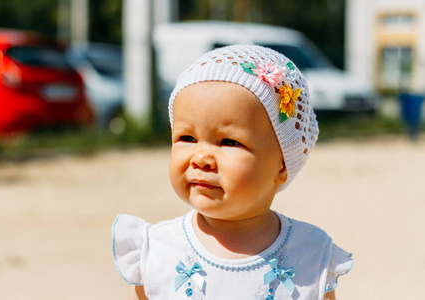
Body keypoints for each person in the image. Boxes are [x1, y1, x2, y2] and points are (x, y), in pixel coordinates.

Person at [112, 45, 353, 300]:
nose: (202, 158)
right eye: (187, 137)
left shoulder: (308, 257)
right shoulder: (157, 251)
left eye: (228, 142)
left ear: (282, 164)